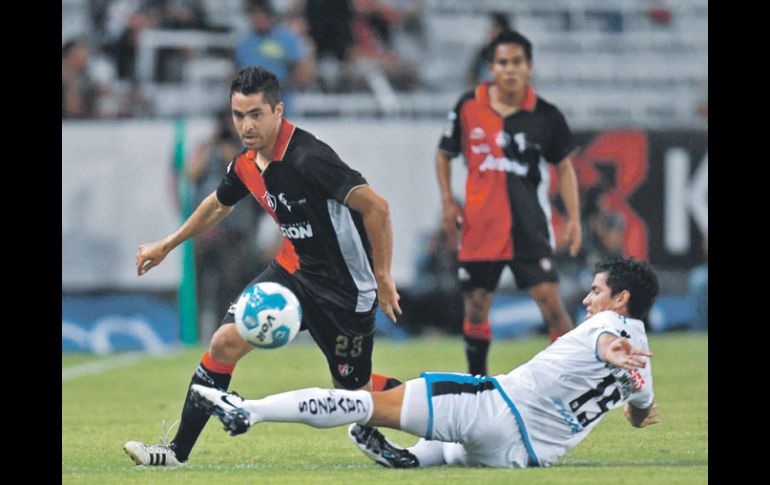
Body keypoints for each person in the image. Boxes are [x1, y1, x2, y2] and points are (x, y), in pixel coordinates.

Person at [124, 65, 410, 467]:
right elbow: (217, 204)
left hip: (346, 289)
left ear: (278, 110)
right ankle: (174, 453)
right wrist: (168, 244)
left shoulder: (311, 158)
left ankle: (436, 411)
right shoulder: (246, 164)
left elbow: (377, 207)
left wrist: (382, 278)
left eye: (256, 114)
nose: (246, 125)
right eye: (238, 115)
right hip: (292, 272)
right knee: (223, 342)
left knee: (354, 394)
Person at [190, 257, 660, 468]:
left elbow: (605, 342)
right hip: (522, 457)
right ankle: (410, 458)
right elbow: (640, 411)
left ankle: (248, 410)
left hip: (497, 407)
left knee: (363, 403)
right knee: (451, 449)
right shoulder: (642, 358)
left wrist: (607, 351)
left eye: (596, 291)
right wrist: (630, 394)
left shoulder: (609, 331)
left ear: (621, 298)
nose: (586, 297)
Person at [435, 29, 582, 376]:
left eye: (517, 62)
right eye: (503, 62)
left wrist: (573, 217)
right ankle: (477, 382)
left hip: (527, 225)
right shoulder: (468, 106)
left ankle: (574, 377)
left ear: (529, 66)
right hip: (480, 227)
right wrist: (447, 201)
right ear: (491, 67)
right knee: (476, 307)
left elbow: (564, 167)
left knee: (551, 303)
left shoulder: (546, 115)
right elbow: (444, 154)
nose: (510, 69)